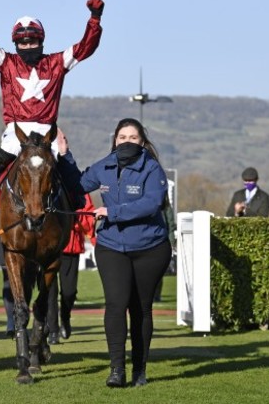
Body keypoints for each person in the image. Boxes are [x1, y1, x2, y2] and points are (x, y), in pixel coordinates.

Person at [57, 118, 172, 388]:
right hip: (111, 246)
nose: (127, 142)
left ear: (142, 142)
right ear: (115, 140)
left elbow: (151, 203)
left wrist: (112, 212)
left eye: (133, 137)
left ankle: (139, 371)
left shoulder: (152, 169)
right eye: (122, 137)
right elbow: (77, 186)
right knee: (116, 304)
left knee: (141, 308)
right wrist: (65, 156)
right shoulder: (105, 165)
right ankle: (117, 370)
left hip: (150, 248)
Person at [0, 0, 104, 208]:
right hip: (17, 127)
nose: (28, 47)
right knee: (9, 146)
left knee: (61, 154)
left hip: (48, 129)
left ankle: (75, 193)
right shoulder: (7, 62)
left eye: (33, 43)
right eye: (23, 43)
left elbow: (86, 47)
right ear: (16, 44)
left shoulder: (57, 63)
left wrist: (94, 20)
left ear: (41, 41)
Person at [46, 193, 95, 345]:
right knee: (49, 291)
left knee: (69, 291)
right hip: (49, 247)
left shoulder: (76, 189)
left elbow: (89, 215)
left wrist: (75, 217)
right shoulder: (46, 185)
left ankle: (65, 317)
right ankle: (53, 330)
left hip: (71, 247)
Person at [154, 196, 177, 303]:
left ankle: (156, 296)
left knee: (158, 272)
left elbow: (171, 226)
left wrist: (171, 243)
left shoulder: (166, 207)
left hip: (161, 242)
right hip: (146, 241)